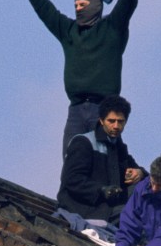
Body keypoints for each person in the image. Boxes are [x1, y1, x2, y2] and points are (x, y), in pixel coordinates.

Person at [21, 0, 141, 153]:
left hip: (103, 109)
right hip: (75, 110)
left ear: (95, 5)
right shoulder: (69, 31)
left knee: (102, 159)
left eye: (83, 4)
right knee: (72, 160)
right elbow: (45, 11)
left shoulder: (112, 28)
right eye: (75, 5)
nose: (78, 8)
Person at [57, 96, 144, 225]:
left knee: (147, 189)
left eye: (120, 121)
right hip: (84, 210)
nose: (116, 126)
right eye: (111, 121)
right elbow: (72, 180)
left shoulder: (119, 148)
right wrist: (102, 190)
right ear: (101, 120)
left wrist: (139, 173)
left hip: (111, 209)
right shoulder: (83, 142)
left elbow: (143, 174)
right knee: (139, 213)